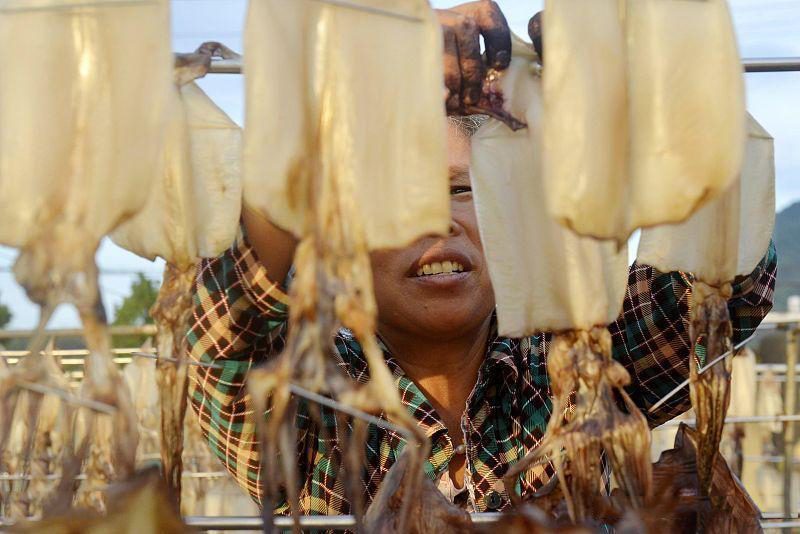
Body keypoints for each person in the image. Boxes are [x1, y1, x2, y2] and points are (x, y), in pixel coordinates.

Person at [186, 0, 777, 516]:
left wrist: (643, 85)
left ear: (508, 215)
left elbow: (729, 285)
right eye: (400, 196)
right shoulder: (311, 405)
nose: (436, 219)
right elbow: (221, 333)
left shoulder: (584, 363)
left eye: (463, 190)